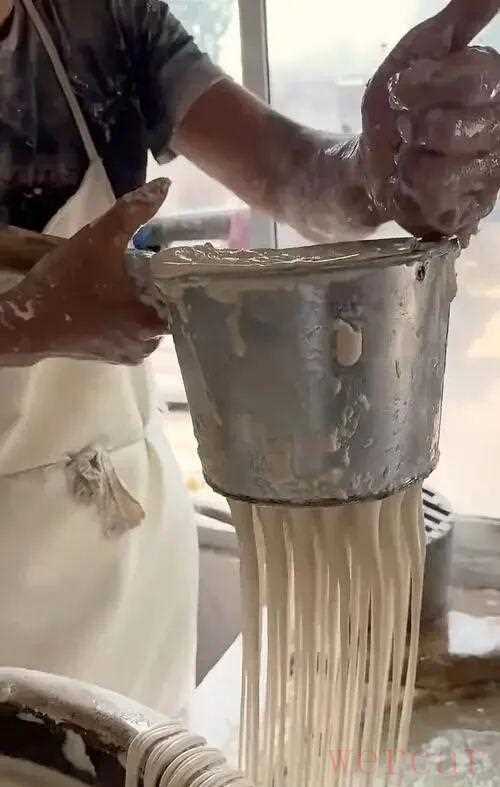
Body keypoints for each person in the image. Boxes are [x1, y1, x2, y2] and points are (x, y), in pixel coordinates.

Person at [0, 0, 499, 715]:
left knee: (146, 754)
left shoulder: (99, 19)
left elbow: (293, 173)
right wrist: (24, 326)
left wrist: (375, 171)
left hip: (122, 569)